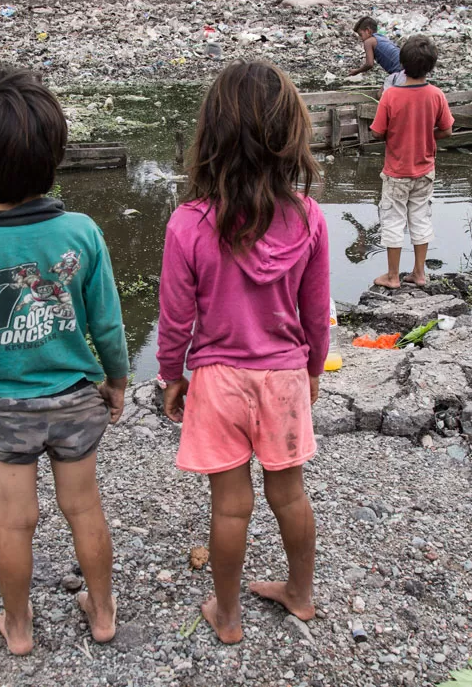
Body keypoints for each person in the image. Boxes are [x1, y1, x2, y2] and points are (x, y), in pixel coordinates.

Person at [0, 67, 129, 656]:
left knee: (15, 521)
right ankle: (102, 611)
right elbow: (108, 323)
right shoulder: (82, 232)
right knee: (84, 507)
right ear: (57, 154)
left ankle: (17, 627)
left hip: (2, 407)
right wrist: (117, 379)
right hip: (74, 400)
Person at [157, 60, 330, 645]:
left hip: (217, 380)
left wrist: (170, 376)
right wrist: (310, 370)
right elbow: (316, 311)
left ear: (212, 135)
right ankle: (300, 595)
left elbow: (175, 316)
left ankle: (227, 616)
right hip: (283, 376)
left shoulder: (188, 222)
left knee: (231, 508)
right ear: (290, 135)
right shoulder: (309, 218)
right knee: (290, 493)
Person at [369, 35, 454, 289]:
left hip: (396, 171)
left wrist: (394, 134)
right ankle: (419, 273)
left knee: (393, 219)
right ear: (430, 67)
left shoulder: (391, 95)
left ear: (402, 64)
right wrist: (429, 134)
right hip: (425, 170)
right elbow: (447, 130)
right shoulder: (436, 95)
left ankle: (393, 276)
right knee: (420, 218)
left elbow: (377, 132)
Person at [347, 16, 405, 89]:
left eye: (361, 35)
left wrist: (357, 71)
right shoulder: (382, 37)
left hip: (400, 71)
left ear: (368, 31)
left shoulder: (368, 42)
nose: (361, 39)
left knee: (381, 95)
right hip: (409, 68)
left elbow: (369, 64)